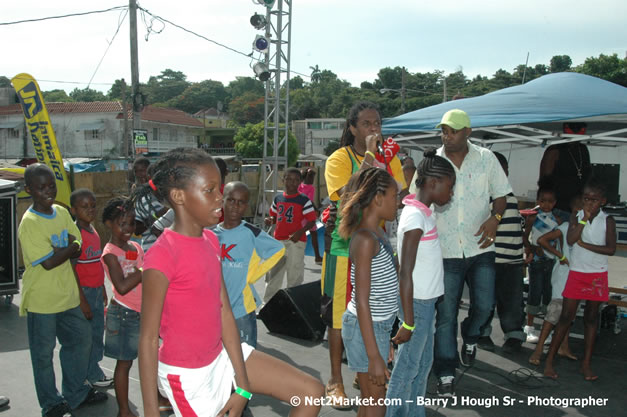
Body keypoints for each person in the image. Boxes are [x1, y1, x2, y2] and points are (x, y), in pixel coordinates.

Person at [138, 147, 323, 417]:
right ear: (179, 196)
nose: (219, 199)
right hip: (189, 376)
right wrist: (151, 411)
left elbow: (224, 312)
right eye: (210, 190)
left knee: (311, 392)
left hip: (220, 357)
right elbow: (148, 340)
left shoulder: (211, 240)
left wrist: (243, 386)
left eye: (219, 190)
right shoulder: (162, 255)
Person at [322, 101, 407, 406]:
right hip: (347, 247)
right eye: (368, 124)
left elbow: (400, 190)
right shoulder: (338, 158)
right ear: (353, 128)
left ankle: (364, 370)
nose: (374, 129)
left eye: (378, 123)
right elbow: (348, 195)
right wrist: (370, 156)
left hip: (380, 241)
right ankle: (335, 379)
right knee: (341, 315)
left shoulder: (390, 155)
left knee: (376, 306)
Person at [423, 109, 511, 397]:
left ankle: (471, 335)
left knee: (485, 307)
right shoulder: (432, 162)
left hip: (481, 247)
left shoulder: (486, 159)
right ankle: (446, 371)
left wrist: (495, 219)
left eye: (453, 130)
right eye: (444, 130)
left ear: (468, 132)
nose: (446, 135)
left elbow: (501, 196)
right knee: (445, 315)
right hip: (445, 252)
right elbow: (417, 199)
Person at [18, 163, 107, 417]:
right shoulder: (30, 223)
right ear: (29, 190)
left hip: (68, 297)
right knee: (43, 356)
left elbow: (76, 242)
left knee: (81, 340)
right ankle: (51, 403)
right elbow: (48, 262)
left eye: (51, 186)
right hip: (42, 301)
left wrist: (64, 250)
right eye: (41, 187)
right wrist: (67, 249)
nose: (48, 191)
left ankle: (76, 392)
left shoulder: (61, 211)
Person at [386, 150, 455, 417]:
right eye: (450, 187)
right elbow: (405, 273)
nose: (451, 193)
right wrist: (409, 321)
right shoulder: (415, 218)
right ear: (433, 183)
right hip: (417, 305)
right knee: (407, 366)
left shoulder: (424, 212)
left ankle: (413, 412)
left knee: (422, 363)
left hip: (426, 303)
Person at [338, 167, 399, 417]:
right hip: (366, 329)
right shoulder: (365, 239)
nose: (399, 201)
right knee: (376, 403)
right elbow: (362, 301)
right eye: (395, 196)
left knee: (371, 401)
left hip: (377, 328)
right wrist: (374, 355)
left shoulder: (378, 233)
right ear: (378, 199)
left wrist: (385, 340)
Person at [544, 179, 616, 381]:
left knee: (591, 319)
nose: (589, 203)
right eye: (586, 199)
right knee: (566, 317)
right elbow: (570, 239)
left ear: (602, 201)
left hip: (597, 274)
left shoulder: (607, 220)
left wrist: (586, 245)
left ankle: (586, 364)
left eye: (594, 200)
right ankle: (549, 361)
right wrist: (583, 219)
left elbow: (610, 249)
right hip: (577, 272)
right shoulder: (577, 216)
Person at [213, 181, 285, 347]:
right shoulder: (211, 234)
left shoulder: (251, 232)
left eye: (241, 202)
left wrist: (253, 274)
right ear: (222, 201)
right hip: (214, 309)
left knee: (247, 356)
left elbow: (278, 250)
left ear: (246, 206)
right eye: (231, 200)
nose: (235, 206)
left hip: (242, 309)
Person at [101, 197, 148, 417]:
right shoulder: (110, 253)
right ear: (109, 223)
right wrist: (142, 271)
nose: (128, 228)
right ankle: (123, 410)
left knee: (150, 359)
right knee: (125, 363)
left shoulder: (135, 247)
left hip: (142, 312)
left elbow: (140, 273)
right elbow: (121, 286)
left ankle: (156, 400)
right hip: (123, 314)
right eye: (122, 224)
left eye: (131, 223)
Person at [477, 152, 526, 353]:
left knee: (513, 300)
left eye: (503, 170)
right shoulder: (484, 196)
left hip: (513, 260)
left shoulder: (511, 196)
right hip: (491, 259)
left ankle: (514, 334)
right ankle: (482, 332)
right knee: (486, 300)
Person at [69, 188, 113, 388]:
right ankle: (90, 374)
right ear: (73, 210)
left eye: (93, 206)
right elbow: (73, 269)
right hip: (85, 293)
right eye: (84, 207)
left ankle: (93, 370)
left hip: (96, 291)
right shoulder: (76, 234)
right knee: (86, 336)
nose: (90, 210)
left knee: (96, 333)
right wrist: (82, 299)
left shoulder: (93, 230)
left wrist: (103, 287)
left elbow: (95, 263)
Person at [528, 213, 578, 366]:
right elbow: (542, 240)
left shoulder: (584, 229)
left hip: (576, 277)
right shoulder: (564, 227)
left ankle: (564, 346)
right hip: (563, 277)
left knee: (569, 313)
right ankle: (539, 349)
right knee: (554, 312)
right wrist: (561, 256)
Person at [263, 167, 317, 303]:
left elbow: (312, 220)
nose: (292, 183)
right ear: (283, 180)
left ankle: (294, 307)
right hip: (278, 242)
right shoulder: (278, 198)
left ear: (300, 182)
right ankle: (268, 304)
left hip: (296, 242)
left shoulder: (303, 200)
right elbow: (275, 216)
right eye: (289, 179)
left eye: (296, 180)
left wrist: (300, 232)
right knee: (274, 275)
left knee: (295, 275)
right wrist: (270, 220)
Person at [522, 178, 560, 343]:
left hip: (551, 263)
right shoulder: (532, 217)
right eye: (542, 201)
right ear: (537, 201)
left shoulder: (557, 220)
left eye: (550, 201)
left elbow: (559, 242)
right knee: (534, 294)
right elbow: (524, 236)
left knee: (549, 296)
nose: (546, 205)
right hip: (537, 262)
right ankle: (529, 327)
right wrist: (530, 247)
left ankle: (547, 329)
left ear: (555, 203)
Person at [539, 137, 591, 223]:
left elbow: (588, 177)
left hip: (578, 209)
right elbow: (544, 182)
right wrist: (547, 209)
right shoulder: (554, 149)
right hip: (558, 209)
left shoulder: (583, 149)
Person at [298, 168, 323, 264]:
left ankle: (300, 258)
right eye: (311, 177)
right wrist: (316, 209)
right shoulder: (311, 188)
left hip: (300, 214)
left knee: (301, 235)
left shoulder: (299, 186)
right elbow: (309, 201)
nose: (312, 180)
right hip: (308, 214)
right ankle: (317, 257)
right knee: (314, 235)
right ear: (306, 177)